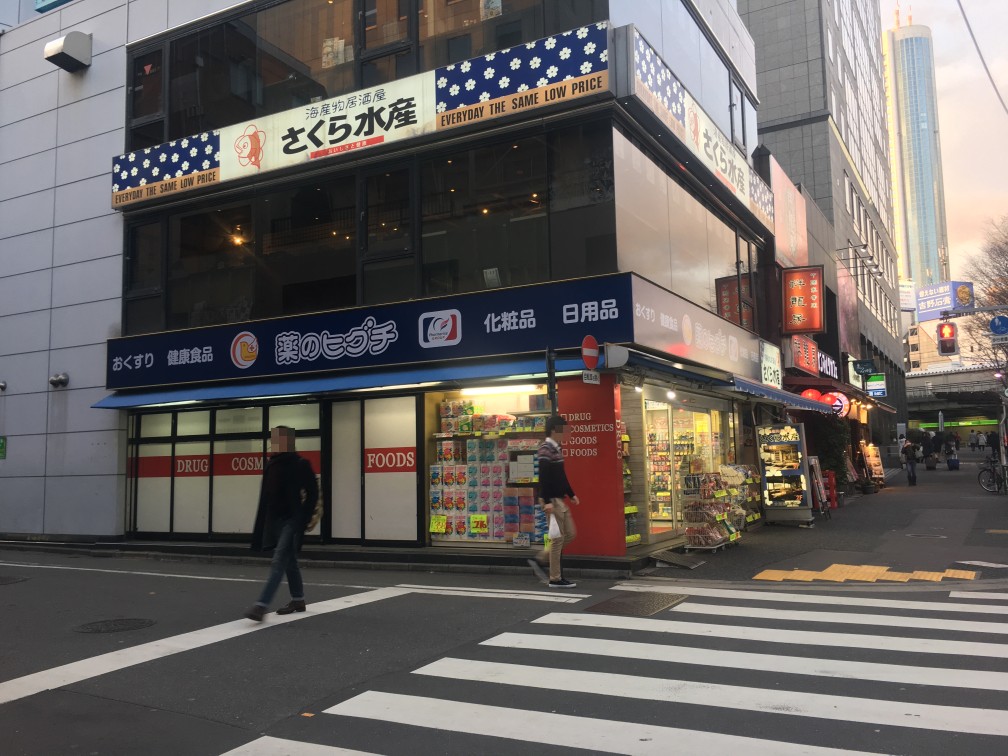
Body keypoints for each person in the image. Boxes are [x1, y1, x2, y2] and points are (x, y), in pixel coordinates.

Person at [245, 426, 319, 621]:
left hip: (292, 520)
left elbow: (313, 492)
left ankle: (261, 606)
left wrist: (303, 518)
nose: (275, 444)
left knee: (279, 560)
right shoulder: (272, 464)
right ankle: (298, 599)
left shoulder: (300, 464)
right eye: (274, 440)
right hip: (274, 520)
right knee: (289, 560)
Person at [528, 415, 580, 588]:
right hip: (551, 499)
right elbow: (544, 477)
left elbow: (561, 475)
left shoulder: (557, 449)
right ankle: (555, 578)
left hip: (559, 499)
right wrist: (547, 500)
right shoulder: (545, 449)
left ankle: (540, 559)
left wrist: (571, 494)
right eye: (562, 430)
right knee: (557, 539)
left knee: (570, 534)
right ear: (553, 430)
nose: (565, 434)